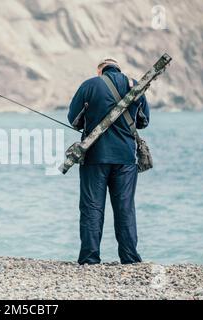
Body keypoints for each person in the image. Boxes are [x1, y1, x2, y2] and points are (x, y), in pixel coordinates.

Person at [67, 58, 150, 265]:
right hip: (125, 159)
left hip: (95, 157)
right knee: (125, 208)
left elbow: (73, 119)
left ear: (100, 71)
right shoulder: (135, 85)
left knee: (92, 208)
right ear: (118, 69)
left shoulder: (90, 85)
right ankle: (130, 259)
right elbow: (143, 121)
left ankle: (89, 258)